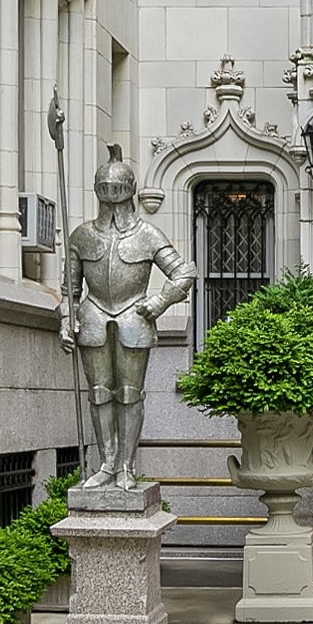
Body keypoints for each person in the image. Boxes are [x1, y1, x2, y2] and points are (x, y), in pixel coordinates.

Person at [58, 146, 197, 490]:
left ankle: (126, 466)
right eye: (106, 190)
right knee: (100, 393)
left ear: (130, 190)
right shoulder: (82, 236)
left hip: (134, 314)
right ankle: (106, 462)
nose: (112, 199)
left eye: (117, 190)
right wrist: (65, 320)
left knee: (130, 394)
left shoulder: (147, 235)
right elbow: (69, 289)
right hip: (93, 315)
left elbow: (184, 273)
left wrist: (159, 302)